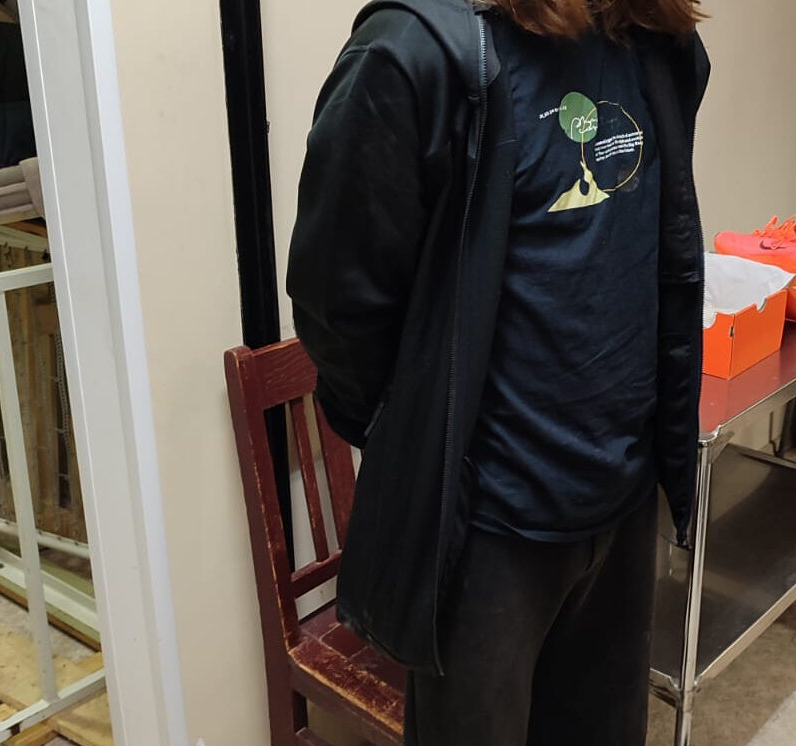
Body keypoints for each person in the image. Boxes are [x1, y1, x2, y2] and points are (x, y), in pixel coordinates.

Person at [287, 0, 708, 743]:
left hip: (622, 502)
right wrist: (419, 442)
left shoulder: (651, 40)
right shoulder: (415, 56)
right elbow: (338, 307)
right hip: (487, 535)